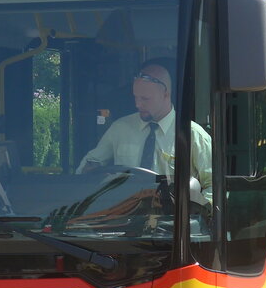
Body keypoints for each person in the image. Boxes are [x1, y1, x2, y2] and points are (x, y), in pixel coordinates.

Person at [77, 60, 212, 198]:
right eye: (135, 97)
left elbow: (213, 187)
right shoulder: (120, 128)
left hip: (173, 218)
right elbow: (89, 165)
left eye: (145, 99)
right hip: (123, 214)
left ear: (166, 94)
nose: (137, 104)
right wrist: (91, 172)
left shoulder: (194, 136)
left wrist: (196, 215)